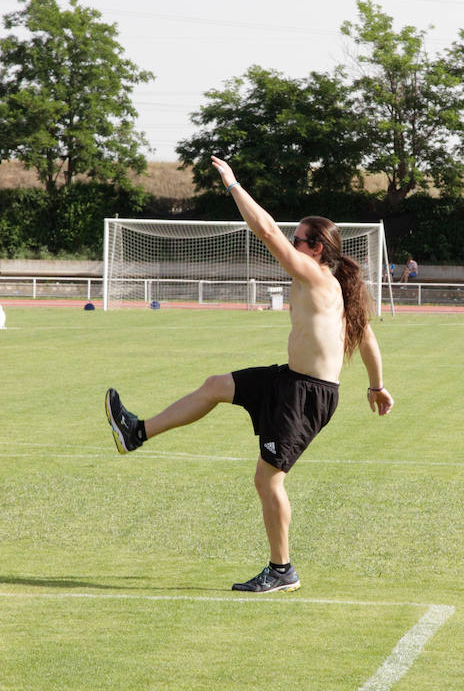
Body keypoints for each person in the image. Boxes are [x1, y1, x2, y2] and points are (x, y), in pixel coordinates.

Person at [105, 155, 394, 594]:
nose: (292, 243)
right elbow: (368, 339)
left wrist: (233, 183)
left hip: (306, 395)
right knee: (217, 385)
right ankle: (136, 432)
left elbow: (265, 231)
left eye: (299, 239)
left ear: (316, 248)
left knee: (267, 479)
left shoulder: (316, 278)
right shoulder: (326, 282)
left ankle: (282, 570)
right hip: (289, 379)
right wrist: (376, 385)